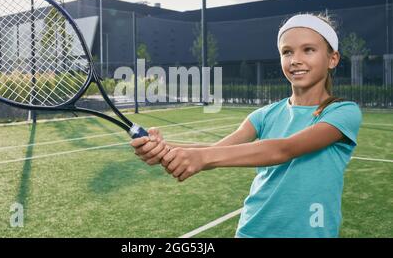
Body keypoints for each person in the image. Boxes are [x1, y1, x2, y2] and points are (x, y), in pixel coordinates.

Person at [130, 13, 362, 238]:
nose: (295, 60)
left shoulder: (343, 112)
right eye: (287, 52)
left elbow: (284, 149)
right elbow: (217, 150)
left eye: (308, 49)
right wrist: (163, 147)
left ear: (333, 59)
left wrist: (199, 158)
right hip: (252, 230)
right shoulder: (264, 114)